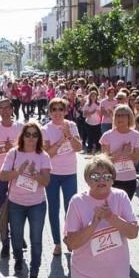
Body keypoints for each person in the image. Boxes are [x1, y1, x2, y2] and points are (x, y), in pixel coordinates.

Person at [0, 123, 51, 278]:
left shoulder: (43, 156)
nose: (31, 138)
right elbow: (2, 176)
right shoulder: (13, 153)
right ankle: (19, 260)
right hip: (16, 203)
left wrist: (35, 174)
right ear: (22, 136)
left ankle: (34, 272)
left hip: (37, 204)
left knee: (36, 240)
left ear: (39, 137)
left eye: (34, 135)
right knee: (16, 236)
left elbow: (46, 182)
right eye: (27, 134)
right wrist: (18, 172)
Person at [42, 98, 82, 255]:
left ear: (65, 111)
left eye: (60, 109)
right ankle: (57, 242)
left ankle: (69, 239)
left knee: (70, 208)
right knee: (53, 208)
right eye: (54, 110)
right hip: (52, 174)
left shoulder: (72, 126)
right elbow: (46, 154)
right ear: (50, 112)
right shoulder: (45, 129)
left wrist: (70, 136)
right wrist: (60, 141)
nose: (57, 112)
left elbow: (79, 148)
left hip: (69, 173)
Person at [0, 99, 23, 259]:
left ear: (12, 109)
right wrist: (4, 148)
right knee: (2, 209)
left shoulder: (21, 127)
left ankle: (18, 238)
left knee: (18, 208)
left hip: (17, 174)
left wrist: (14, 149)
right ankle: (4, 241)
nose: (5, 111)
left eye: (7, 107)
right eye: (1, 108)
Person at [100, 106, 139, 200]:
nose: (120, 118)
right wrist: (121, 151)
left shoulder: (135, 135)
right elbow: (105, 162)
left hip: (129, 179)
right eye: (117, 115)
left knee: (124, 211)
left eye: (123, 115)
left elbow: (136, 160)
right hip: (112, 179)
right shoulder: (107, 135)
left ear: (129, 118)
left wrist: (128, 153)